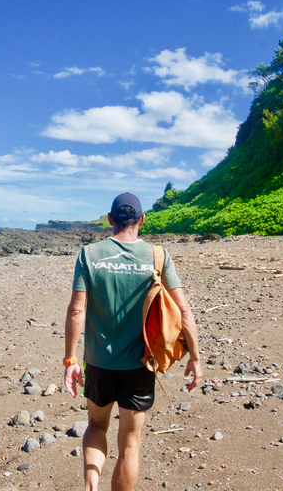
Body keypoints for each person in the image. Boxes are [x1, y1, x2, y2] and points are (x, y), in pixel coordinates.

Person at [63, 192, 202, 491]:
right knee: (130, 443)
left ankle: (91, 484)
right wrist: (195, 357)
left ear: (111, 220)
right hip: (141, 364)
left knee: (96, 425)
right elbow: (184, 310)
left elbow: (77, 309)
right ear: (141, 220)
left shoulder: (89, 254)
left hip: (99, 363)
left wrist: (70, 361)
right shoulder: (158, 256)